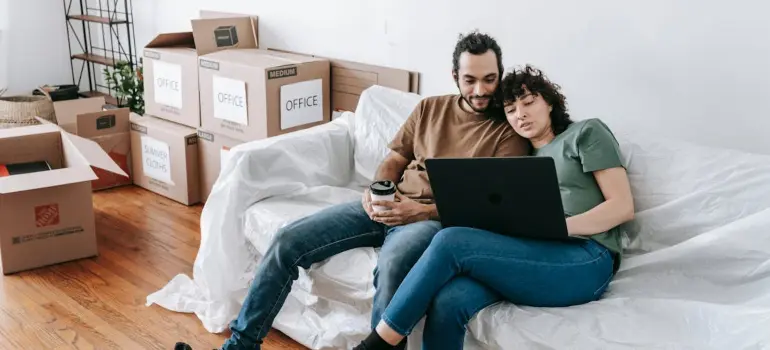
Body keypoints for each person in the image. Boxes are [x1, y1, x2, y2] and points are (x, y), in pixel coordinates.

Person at [174, 31, 529, 350]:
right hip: (387, 204)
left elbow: (492, 203)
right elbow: (395, 156)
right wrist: (378, 189)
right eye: (470, 80)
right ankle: (241, 345)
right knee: (288, 240)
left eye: (489, 79)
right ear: (455, 76)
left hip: (430, 221)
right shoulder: (430, 108)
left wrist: (419, 212)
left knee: (391, 266)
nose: (480, 90)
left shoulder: (508, 131)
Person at [352, 65, 635, 350]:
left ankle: (376, 345)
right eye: (510, 109)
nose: (520, 114)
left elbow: (622, 207)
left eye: (528, 102)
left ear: (549, 102)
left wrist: (557, 227)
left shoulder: (586, 133)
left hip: (586, 259)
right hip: (533, 252)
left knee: (451, 241)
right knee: (448, 299)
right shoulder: (519, 160)